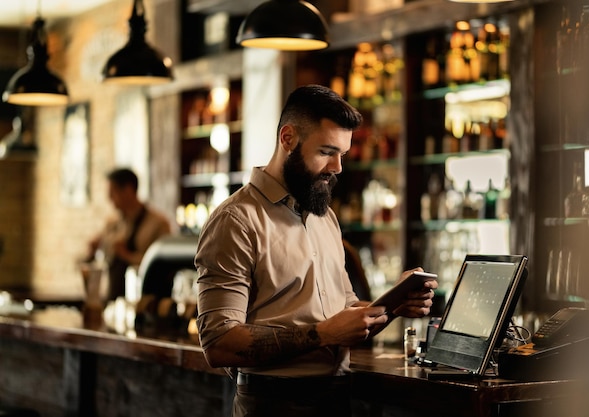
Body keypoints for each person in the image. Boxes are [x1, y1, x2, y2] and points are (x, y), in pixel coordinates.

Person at [195, 85, 437, 417]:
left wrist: (395, 303)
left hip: (336, 398)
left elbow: (346, 311)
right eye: (326, 151)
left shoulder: (325, 217)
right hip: (271, 404)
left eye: (343, 154)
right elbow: (218, 343)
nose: (337, 167)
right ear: (288, 139)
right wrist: (323, 334)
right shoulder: (235, 221)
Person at [86, 168, 172, 301]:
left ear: (128, 190)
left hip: (145, 299)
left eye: (112, 193)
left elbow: (164, 265)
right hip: (113, 296)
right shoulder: (112, 223)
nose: (109, 198)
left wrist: (127, 255)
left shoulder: (158, 223)